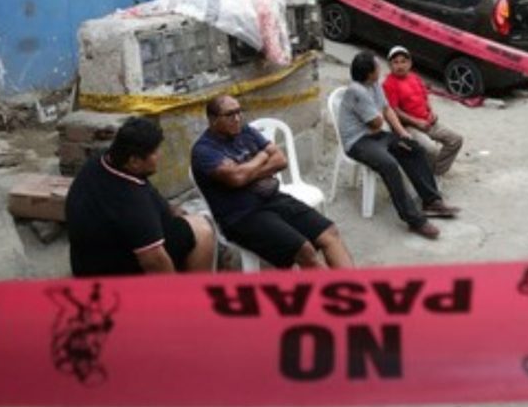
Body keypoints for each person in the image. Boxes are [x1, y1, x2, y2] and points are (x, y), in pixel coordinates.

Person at [192, 95, 353, 269]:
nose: (237, 118)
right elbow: (237, 178)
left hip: (272, 198)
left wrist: (247, 172)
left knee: (330, 233)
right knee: (305, 250)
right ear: (213, 119)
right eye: (230, 114)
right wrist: (262, 156)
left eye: (239, 112)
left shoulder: (244, 131)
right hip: (242, 215)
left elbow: (280, 160)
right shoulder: (204, 150)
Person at [66, 117, 215, 276]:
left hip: (88, 261)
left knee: (186, 219)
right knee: (203, 231)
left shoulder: (101, 163)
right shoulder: (132, 201)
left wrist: (170, 211)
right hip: (115, 276)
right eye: (154, 152)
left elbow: (152, 196)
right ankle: (193, 290)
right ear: (134, 161)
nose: (159, 155)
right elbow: (154, 261)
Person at [337, 51, 459, 240]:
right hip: (358, 141)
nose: (380, 68)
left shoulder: (374, 84)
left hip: (376, 135)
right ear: (369, 73)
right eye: (377, 66)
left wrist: (402, 133)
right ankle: (414, 220)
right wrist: (378, 116)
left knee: (413, 148)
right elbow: (377, 122)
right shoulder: (357, 91)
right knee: (389, 165)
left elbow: (386, 109)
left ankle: (431, 201)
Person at [382, 45, 463, 175]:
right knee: (431, 149)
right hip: (408, 126)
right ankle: (428, 175)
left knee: (456, 140)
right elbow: (394, 110)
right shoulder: (389, 83)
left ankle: (435, 172)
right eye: (395, 62)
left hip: (427, 121)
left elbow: (425, 98)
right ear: (390, 65)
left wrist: (431, 112)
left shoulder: (415, 77)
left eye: (403, 61)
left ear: (410, 63)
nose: (400, 65)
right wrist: (416, 122)